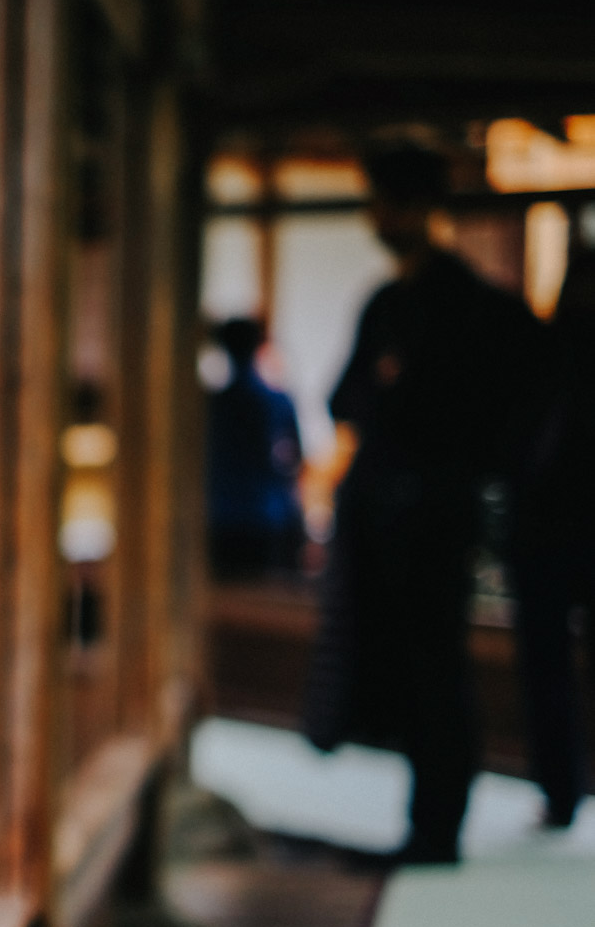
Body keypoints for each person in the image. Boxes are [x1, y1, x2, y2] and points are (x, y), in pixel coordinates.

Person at [304, 143, 540, 864]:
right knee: (411, 667)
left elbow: (503, 413)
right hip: (391, 508)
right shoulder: (391, 302)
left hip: (432, 513)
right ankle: (426, 820)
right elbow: (345, 397)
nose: (381, 215)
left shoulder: (466, 305)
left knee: (434, 666)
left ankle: (436, 826)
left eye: (391, 200)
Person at [507, 250, 595, 829]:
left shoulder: (538, 356)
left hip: (543, 530)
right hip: (552, 528)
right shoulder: (543, 357)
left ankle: (561, 792)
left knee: (546, 669)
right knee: (546, 668)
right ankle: (561, 791)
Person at [205, 318, 304, 579]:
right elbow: (293, 462)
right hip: (265, 516)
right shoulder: (278, 401)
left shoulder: (212, 405)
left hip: (222, 516)